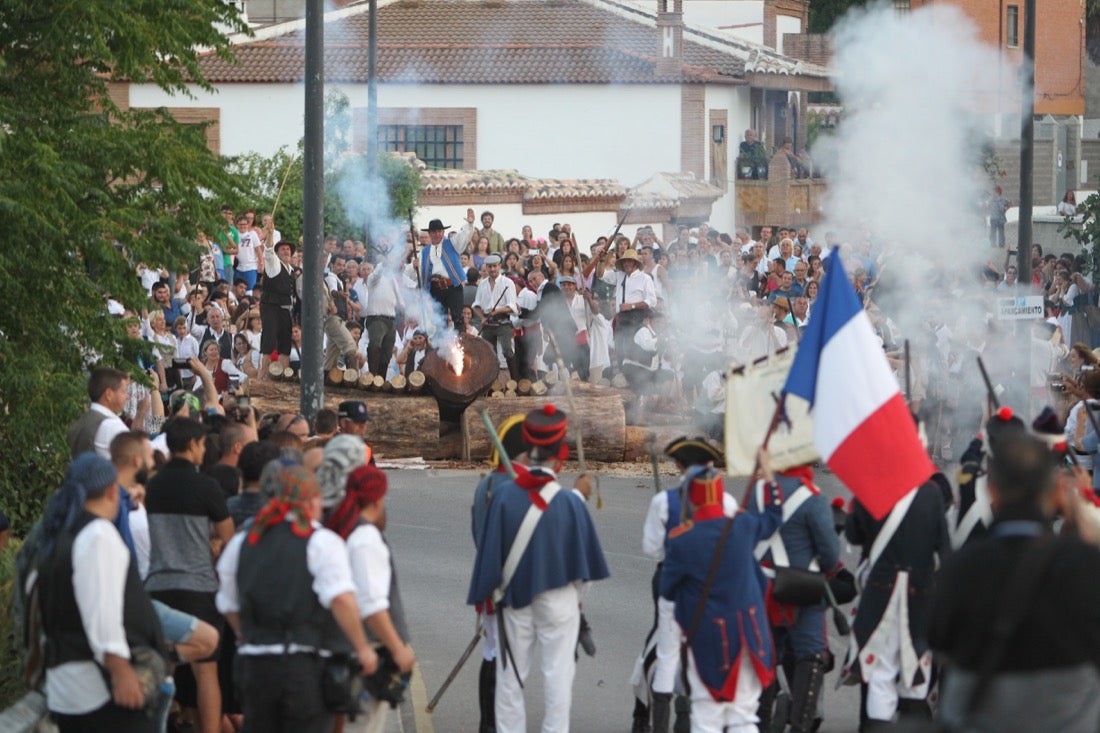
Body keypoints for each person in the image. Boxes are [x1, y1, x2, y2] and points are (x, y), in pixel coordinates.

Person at [930, 412, 1100, 732]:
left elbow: (939, 639)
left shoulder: (959, 569)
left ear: (992, 489)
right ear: (1054, 492)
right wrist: (1084, 507)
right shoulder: (1086, 565)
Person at [467, 405, 610, 733]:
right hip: (560, 603)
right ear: (560, 456)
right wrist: (576, 600)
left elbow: (490, 557)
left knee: (510, 682)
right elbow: (584, 573)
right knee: (558, 683)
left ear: (529, 449)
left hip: (515, 601)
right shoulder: (572, 502)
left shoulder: (503, 497)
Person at [215, 461, 379, 733]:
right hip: (303, 668)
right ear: (310, 500)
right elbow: (341, 599)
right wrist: (362, 648)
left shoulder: (242, 542)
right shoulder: (321, 542)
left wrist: (248, 634)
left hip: (255, 667)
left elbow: (228, 602)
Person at [38, 453, 164, 733]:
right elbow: (101, 610)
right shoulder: (97, 536)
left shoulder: (59, 537)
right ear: (111, 491)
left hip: (70, 687)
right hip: (100, 691)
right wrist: (120, 671)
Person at [659, 451, 784, 733]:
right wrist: (768, 475)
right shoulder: (743, 525)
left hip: (708, 638)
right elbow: (775, 515)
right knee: (744, 716)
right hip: (750, 634)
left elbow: (667, 590)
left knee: (707, 717)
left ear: (692, 499)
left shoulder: (682, 538)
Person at [144, 417, 234, 733]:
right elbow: (229, 536)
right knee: (205, 669)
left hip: (157, 587)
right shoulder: (205, 486)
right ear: (194, 444)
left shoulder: (152, 486)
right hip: (198, 587)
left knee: (161, 667)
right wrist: (213, 542)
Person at [638, 437, 733, 733]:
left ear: (679, 466)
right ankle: (687, 718)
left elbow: (652, 550)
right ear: (708, 466)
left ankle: (653, 723)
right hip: (711, 585)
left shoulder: (663, 501)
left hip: (671, 579)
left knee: (664, 652)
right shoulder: (727, 502)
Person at [842, 473, 950, 729]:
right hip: (919, 596)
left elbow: (854, 535)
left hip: (881, 591)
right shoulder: (932, 493)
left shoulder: (871, 487)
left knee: (880, 675)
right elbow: (943, 548)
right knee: (915, 677)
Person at [748, 459, 841, 733]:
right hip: (802, 588)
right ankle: (800, 727)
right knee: (810, 654)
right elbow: (830, 556)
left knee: (764, 655)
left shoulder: (755, 491)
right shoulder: (813, 498)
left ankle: (760, 725)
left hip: (760, 587)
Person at [326, 464, 416, 733]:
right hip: (367, 655)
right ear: (377, 499)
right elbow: (372, 606)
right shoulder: (366, 537)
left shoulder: (344, 528)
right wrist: (398, 649)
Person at [471, 413, 527, 733]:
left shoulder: (489, 483)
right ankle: (494, 725)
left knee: (493, 652)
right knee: (504, 658)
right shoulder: (508, 488)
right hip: (507, 584)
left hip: (491, 578)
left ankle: (488, 724)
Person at [474, 253, 521, 380]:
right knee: (489, 353)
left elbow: (512, 307)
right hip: (488, 323)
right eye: (489, 267)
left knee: (507, 350)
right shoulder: (482, 284)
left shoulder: (508, 283)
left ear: (500, 266)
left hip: (503, 321)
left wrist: (497, 311)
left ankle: (515, 381)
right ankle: (491, 382)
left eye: (494, 266)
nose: (492, 269)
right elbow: (476, 305)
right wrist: (482, 318)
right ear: (486, 267)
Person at [68, 366, 131, 458]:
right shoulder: (111, 425)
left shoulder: (82, 421)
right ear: (109, 394)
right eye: (123, 391)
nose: (127, 396)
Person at [259, 239, 296, 379]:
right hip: (271, 307)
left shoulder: (291, 271)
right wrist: (269, 235)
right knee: (269, 342)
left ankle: (283, 377)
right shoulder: (274, 265)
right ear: (277, 253)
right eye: (283, 249)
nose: (286, 251)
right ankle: (261, 376)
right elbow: (268, 252)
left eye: (288, 249)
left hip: (285, 309)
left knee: (285, 344)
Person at [419, 218, 467, 328]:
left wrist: (469, 224)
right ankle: (442, 343)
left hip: (453, 285)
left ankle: (461, 343)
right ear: (430, 233)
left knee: (457, 317)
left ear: (443, 232)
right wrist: (415, 265)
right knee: (440, 320)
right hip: (435, 288)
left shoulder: (452, 243)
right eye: (434, 232)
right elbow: (419, 270)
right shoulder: (425, 251)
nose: (437, 234)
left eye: (439, 231)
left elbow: (463, 237)